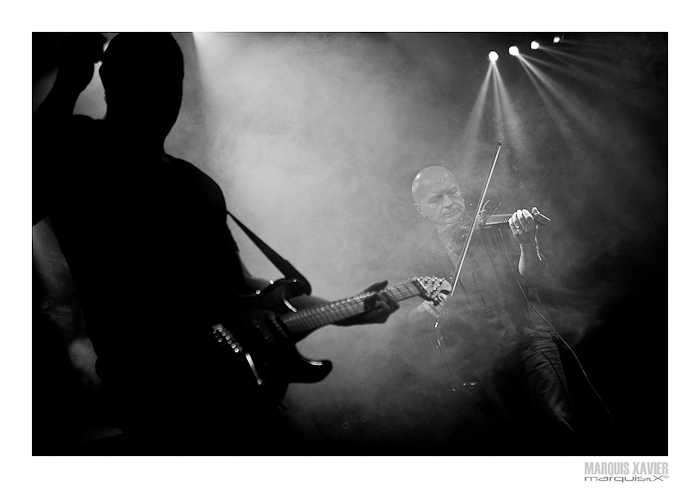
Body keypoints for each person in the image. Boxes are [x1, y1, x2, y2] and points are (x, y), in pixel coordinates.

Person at [32, 32, 399, 454]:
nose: (165, 91)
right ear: (112, 82)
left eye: (174, 77)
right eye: (148, 77)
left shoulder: (195, 184)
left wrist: (345, 310)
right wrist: (68, 83)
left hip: (236, 388)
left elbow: (243, 289)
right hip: (156, 398)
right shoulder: (78, 148)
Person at [407, 165, 588, 455]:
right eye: (436, 200)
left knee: (560, 423)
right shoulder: (423, 257)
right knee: (525, 439)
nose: (449, 204)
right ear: (421, 210)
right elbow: (413, 317)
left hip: (529, 339)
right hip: (486, 359)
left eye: (452, 193)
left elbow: (533, 276)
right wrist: (422, 312)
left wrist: (528, 242)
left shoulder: (491, 228)